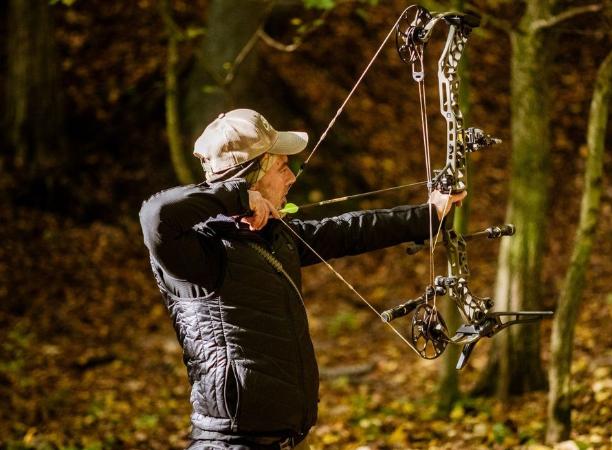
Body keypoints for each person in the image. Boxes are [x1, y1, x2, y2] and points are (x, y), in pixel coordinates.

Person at [139, 109, 465, 449]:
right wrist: (236, 196)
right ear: (252, 175)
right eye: (282, 167)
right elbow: (155, 215)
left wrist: (429, 215)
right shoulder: (198, 254)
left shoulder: (275, 237)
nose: (292, 178)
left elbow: (349, 231)